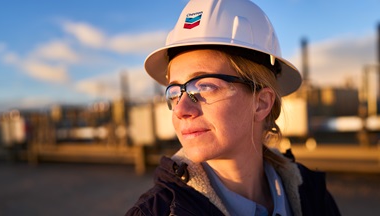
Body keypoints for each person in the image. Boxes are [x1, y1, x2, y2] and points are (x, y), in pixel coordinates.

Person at [126, 0, 341, 215]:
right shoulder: (155, 212)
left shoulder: (312, 196)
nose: (181, 110)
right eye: (174, 92)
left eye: (204, 86)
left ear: (262, 103)